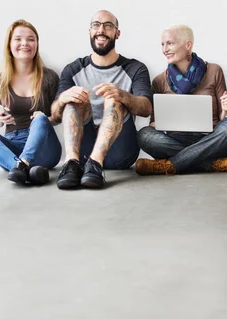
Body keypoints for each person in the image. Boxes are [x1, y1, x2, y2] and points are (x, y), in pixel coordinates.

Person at [52, 10, 153, 189]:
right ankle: (71, 165)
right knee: (71, 99)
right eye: (96, 25)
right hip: (83, 153)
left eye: (108, 26)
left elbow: (146, 108)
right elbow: (55, 116)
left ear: (117, 33)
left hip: (121, 152)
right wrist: (62, 101)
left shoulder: (135, 68)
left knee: (114, 98)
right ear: (90, 31)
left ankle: (96, 164)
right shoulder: (73, 69)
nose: (101, 30)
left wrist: (122, 95)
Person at [135, 25, 227, 176]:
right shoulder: (159, 81)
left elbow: (224, 119)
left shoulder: (214, 71)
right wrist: (166, 119)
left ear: (188, 45)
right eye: (162, 44)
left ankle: (171, 165)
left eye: (170, 43)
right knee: (144, 134)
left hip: (211, 139)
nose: (164, 49)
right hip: (175, 141)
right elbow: (153, 124)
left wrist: (226, 109)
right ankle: (212, 164)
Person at [0, 19, 61, 186]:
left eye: (31, 39)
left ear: (36, 44)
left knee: (40, 119)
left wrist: (44, 118)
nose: (25, 43)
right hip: (13, 141)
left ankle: (20, 167)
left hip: (45, 147)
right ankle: (27, 170)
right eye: (18, 39)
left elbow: (58, 117)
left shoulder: (49, 77)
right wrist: (0, 119)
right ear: (9, 44)